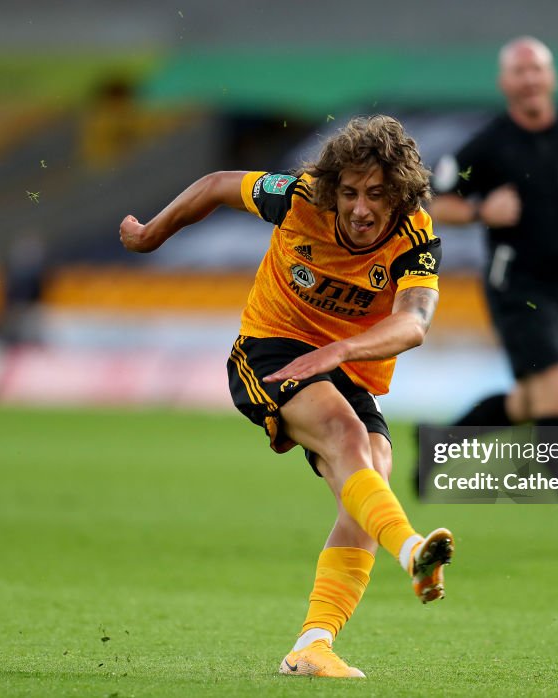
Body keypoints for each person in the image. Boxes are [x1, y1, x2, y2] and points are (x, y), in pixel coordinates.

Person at [119, 115, 454, 678]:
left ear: (399, 192)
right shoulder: (300, 198)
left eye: (376, 193)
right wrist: (153, 232)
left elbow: (414, 324)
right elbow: (218, 184)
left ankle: (313, 645)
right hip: (271, 351)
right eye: (349, 192)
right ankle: (412, 552)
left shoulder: (414, 235)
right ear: (332, 189)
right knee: (348, 440)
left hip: (343, 369)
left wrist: (339, 353)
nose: (360, 208)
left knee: (370, 477)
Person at [423, 36, 558, 552]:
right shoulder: (489, 145)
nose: (530, 78)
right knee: (555, 393)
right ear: (505, 84)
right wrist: (478, 212)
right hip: (514, 286)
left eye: (537, 69)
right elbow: (432, 197)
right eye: (519, 71)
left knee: (533, 402)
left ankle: (442, 441)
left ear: (551, 77)